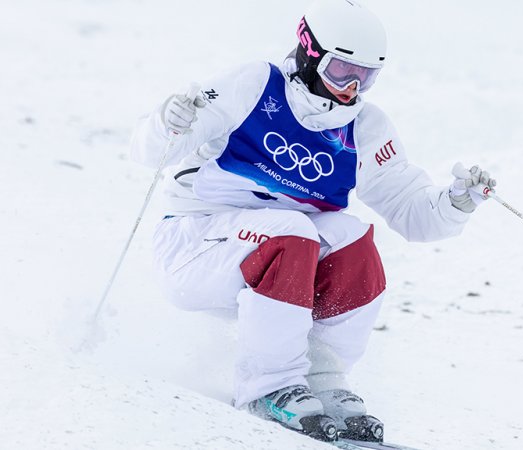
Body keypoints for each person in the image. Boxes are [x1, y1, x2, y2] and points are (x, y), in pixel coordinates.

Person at [130, 0, 496, 443]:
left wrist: (456, 203)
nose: (352, 87)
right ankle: (268, 387)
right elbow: (154, 153)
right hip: (196, 244)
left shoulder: (364, 128)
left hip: (278, 263)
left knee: (354, 242)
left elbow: (411, 211)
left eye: (366, 76)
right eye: (342, 70)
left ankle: (323, 378)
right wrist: (167, 124)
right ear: (310, 52)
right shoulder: (254, 85)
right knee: (295, 232)